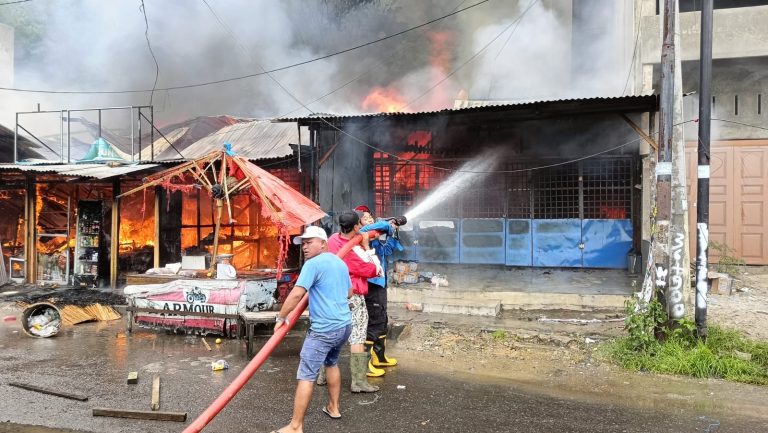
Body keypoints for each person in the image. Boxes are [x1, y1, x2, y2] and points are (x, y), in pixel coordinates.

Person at [270, 225, 352, 433]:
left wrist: (282, 316)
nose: (304, 247)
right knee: (331, 362)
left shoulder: (313, 264)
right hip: (344, 326)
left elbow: (297, 294)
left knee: (306, 375)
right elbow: (349, 293)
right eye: (303, 244)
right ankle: (333, 407)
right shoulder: (339, 263)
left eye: (309, 242)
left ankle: (295, 426)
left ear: (323, 243)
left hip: (324, 329)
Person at [326, 210, 382, 392]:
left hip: (331, 296)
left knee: (329, 334)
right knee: (357, 336)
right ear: (357, 226)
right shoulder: (354, 252)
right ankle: (358, 382)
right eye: (360, 224)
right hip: (353, 297)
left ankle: (321, 377)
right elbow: (374, 271)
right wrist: (367, 246)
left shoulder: (333, 239)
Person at [356, 205, 403, 376]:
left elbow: (388, 250)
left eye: (370, 217)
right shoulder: (360, 235)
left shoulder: (373, 239)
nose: (370, 220)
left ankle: (379, 356)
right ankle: (366, 363)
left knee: (382, 319)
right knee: (374, 321)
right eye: (366, 218)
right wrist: (386, 224)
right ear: (358, 223)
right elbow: (374, 227)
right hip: (371, 284)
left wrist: (393, 232)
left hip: (380, 284)